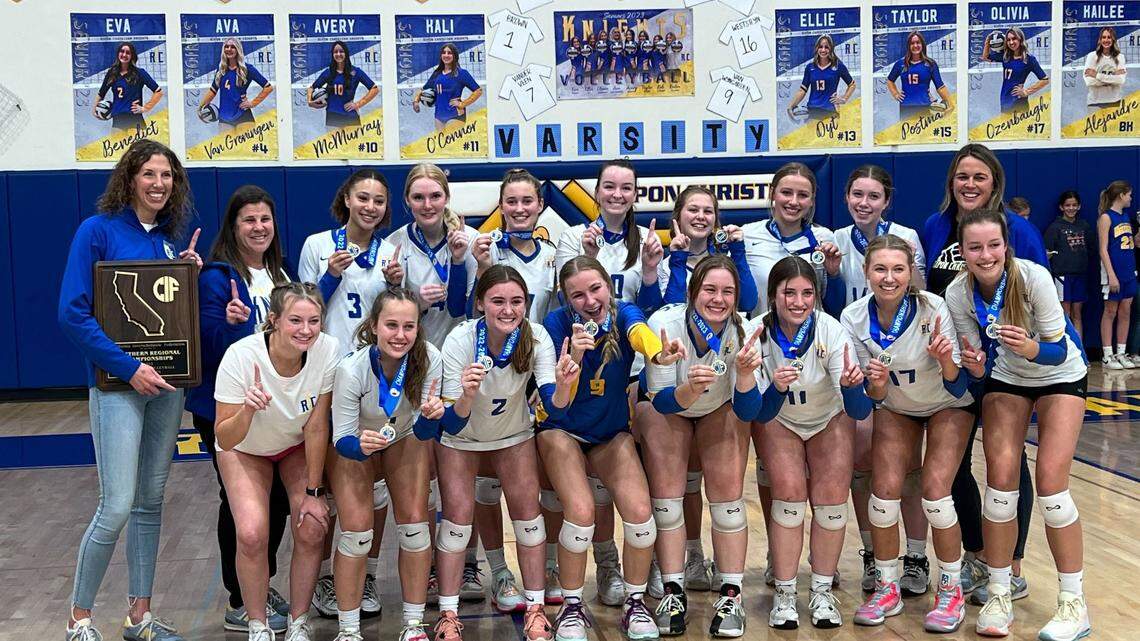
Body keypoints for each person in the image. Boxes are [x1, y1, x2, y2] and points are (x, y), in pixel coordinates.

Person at [59, 139, 200, 641]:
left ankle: (138, 617)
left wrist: (188, 277)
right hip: (118, 387)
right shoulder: (96, 231)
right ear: (130, 179)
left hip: (166, 388)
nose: (159, 184)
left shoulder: (168, 243)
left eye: (167, 176)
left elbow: (173, 321)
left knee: (150, 501)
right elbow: (72, 313)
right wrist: (128, 366)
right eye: (150, 174)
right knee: (116, 503)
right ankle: (79, 619)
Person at [944, 210, 1090, 640]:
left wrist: (1030, 347)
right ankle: (999, 592)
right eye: (975, 247)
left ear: (1005, 246)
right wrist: (972, 363)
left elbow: (1057, 350)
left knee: (1051, 485)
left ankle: (1073, 603)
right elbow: (976, 364)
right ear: (962, 251)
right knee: (1001, 484)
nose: (985, 255)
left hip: (1059, 373)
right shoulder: (958, 293)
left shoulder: (1033, 278)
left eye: (993, 245)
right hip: (1008, 378)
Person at [921, 143, 1045, 605]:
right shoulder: (935, 227)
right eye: (962, 176)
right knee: (949, 467)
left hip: (1007, 368)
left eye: (979, 177)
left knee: (1007, 464)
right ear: (951, 182)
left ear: (995, 183)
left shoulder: (1020, 231)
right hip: (951, 369)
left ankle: (1010, 565)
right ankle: (977, 554)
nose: (969, 184)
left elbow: (1038, 295)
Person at [539, 256, 687, 641]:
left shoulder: (624, 313)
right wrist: (574, 360)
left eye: (595, 289)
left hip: (610, 432)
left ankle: (635, 602)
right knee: (582, 512)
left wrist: (658, 354)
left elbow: (640, 332)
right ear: (565, 299)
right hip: (562, 430)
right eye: (578, 295)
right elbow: (558, 401)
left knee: (641, 515)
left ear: (608, 286)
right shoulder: (556, 325)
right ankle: (572, 607)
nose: (589, 300)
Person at [425, 265, 576, 641]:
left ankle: (537, 609)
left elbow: (555, 408)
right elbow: (451, 423)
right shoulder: (460, 340)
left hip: (513, 435)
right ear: (480, 304)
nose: (508, 310)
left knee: (529, 519)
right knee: (457, 524)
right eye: (498, 301)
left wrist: (564, 386)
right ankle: (447, 614)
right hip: (462, 439)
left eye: (517, 301)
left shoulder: (535, 335)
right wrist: (467, 397)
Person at [841, 235, 974, 633]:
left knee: (935, 492)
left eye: (898, 269)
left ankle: (950, 590)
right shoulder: (852, 317)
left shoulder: (933, 307)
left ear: (912, 272)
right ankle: (886, 586)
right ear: (866, 273)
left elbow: (956, 384)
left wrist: (946, 361)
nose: (889, 277)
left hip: (948, 403)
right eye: (880, 269)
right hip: (898, 407)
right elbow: (870, 399)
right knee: (883, 495)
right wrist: (876, 385)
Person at [642, 255, 769, 637]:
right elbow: (661, 400)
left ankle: (731, 594)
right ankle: (673, 590)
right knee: (667, 501)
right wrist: (689, 390)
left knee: (728, 502)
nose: (718, 299)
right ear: (692, 292)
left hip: (720, 407)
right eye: (710, 290)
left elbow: (749, 410)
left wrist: (745, 376)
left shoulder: (745, 332)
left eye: (727, 291)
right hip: (669, 407)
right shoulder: (663, 325)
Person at [187, 185, 293, 633]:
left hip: (274, 407)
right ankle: (239, 596)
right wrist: (230, 325)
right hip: (226, 408)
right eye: (249, 220)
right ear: (233, 226)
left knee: (281, 500)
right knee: (241, 502)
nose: (258, 227)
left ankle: (259, 583)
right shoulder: (217, 277)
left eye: (265, 219)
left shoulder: (280, 276)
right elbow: (205, 351)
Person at [299, 168, 401, 618]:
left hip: (376, 376)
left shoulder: (391, 250)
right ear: (346, 199)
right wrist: (328, 278)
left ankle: (370, 575)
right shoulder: (318, 245)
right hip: (330, 376)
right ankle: (326, 576)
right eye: (363, 197)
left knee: (373, 483)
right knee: (335, 481)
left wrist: (398, 284)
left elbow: (399, 315)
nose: (371, 207)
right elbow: (302, 312)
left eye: (379, 201)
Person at [214, 282, 341, 641]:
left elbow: (318, 425)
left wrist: (315, 491)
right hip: (244, 448)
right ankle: (258, 624)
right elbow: (224, 437)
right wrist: (247, 411)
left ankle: (299, 622)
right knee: (253, 532)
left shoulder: (327, 350)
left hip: (295, 445)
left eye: (314, 321)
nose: (306, 330)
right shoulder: (240, 357)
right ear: (273, 321)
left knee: (313, 524)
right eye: (295, 320)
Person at [753, 256, 871, 631]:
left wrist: (854, 387)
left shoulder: (831, 331)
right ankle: (785, 593)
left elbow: (857, 408)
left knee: (832, 501)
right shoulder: (756, 332)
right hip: (779, 419)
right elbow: (758, 409)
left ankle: (822, 589)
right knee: (788, 497)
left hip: (828, 417)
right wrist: (776, 386)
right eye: (789, 293)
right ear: (773, 296)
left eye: (807, 293)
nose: (799, 302)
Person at [829, 166, 929, 596]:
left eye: (873, 196)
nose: (864, 203)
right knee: (862, 464)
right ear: (847, 197)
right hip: (854, 352)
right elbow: (829, 302)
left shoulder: (906, 236)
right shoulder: (833, 239)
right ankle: (872, 554)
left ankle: (917, 556)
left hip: (906, 360)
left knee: (908, 469)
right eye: (857, 195)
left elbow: (922, 294)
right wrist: (832, 274)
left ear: (886, 201)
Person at [330, 288, 445, 641]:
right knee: (357, 535)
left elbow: (426, 430)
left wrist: (430, 417)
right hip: (356, 443)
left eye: (408, 326)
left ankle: (413, 625)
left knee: (415, 527)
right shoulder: (351, 369)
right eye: (391, 325)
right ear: (374, 326)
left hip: (403, 436)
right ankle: (348, 631)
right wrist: (359, 447)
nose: (400, 335)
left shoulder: (429, 357)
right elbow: (341, 439)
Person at [386, 163, 478, 347]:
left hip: (461, 350)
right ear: (407, 200)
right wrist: (416, 302)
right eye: (418, 197)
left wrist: (458, 261)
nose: (427, 205)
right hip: (412, 350)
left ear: (447, 198)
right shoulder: (393, 244)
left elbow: (470, 311)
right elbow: (387, 318)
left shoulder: (471, 240)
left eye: (435, 196)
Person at [661, 185, 757, 312]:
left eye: (708, 211)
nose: (701, 216)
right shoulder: (664, 266)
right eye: (693, 210)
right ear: (678, 217)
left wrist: (738, 252)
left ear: (715, 220)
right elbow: (672, 314)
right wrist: (679, 259)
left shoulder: (727, 261)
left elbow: (747, 304)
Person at [1096, 180, 1137, 370]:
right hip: (1114, 272)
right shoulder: (1106, 218)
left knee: (1126, 311)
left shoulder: (1127, 216)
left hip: (1129, 271)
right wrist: (1111, 276)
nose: (1131, 198)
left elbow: (1134, 243)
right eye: (1129, 194)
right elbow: (1103, 250)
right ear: (1121, 195)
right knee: (1110, 311)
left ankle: (1121, 352)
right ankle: (1107, 355)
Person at [197, 38, 273, 129]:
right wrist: (201, 107)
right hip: (224, 117)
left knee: (247, 144)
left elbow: (268, 87)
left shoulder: (247, 69)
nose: (229, 49)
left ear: (238, 50)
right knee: (225, 143)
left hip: (243, 115)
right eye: (226, 47)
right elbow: (213, 91)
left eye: (233, 47)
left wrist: (253, 103)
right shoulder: (221, 70)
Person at [1044, 191, 1091, 337]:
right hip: (1062, 276)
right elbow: (1047, 252)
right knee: (1065, 313)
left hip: (1080, 275)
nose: (1071, 208)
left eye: (1074, 205)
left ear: (1079, 206)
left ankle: (1080, 352)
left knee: (1077, 313)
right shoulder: (1055, 227)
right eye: (1067, 205)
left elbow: (1091, 248)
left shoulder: (1084, 225)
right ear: (1061, 207)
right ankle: (1066, 352)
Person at [308, 40, 379, 129]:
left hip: (350, 116)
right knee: (332, 143)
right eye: (335, 52)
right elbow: (311, 88)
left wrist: (358, 104)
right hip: (332, 116)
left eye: (341, 51)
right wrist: (310, 102)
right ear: (332, 54)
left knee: (354, 143)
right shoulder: (328, 72)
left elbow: (375, 89)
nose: (338, 54)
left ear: (346, 53)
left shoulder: (355, 72)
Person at [93, 42, 163, 132]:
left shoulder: (140, 73)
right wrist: (95, 110)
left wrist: (145, 108)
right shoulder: (112, 73)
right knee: (117, 145)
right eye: (122, 51)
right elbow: (101, 94)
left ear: (132, 56)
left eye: (128, 53)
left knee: (138, 146)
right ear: (118, 53)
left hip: (135, 119)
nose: (124, 54)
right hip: (118, 120)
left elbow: (158, 92)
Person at [412, 43, 483, 131]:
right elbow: (423, 89)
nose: (446, 55)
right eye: (444, 52)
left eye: (449, 53)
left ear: (454, 56)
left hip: (455, 115)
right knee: (442, 143)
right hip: (439, 116)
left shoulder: (461, 73)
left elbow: (478, 91)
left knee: (453, 143)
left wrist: (462, 104)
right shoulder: (437, 73)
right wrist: (416, 101)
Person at [786, 35, 856, 121]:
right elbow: (802, 90)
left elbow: (852, 85)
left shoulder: (838, 66)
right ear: (816, 48)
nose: (823, 50)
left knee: (832, 134)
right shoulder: (810, 67)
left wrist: (844, 98)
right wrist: (791, 106)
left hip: (830, 111)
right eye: (820, 47)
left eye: (826, 47)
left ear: (831, 49)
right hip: (812, 111)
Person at [886, 31, 953, 119]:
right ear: (908, 46)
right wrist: (895, 94)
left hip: (925, 107)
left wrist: (950, 104)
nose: (915, 45)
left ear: (922, 44)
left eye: (918, 42)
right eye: (912, 43)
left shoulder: (930, 64)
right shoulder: (901, 64)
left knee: (925, 133)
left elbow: (940, 86)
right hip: (906, 107)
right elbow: (890, 80)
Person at [980, 28, 1048, 113]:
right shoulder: (1005, 56)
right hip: (1004, 100)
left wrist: (1026, 91)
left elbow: (1045, 80)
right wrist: (988, 41)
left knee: (1019, 126)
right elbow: (985, 57)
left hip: (1018, 101)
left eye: (1014, 38)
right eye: (1008, 40)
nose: (1011, 42)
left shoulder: (1029, 59)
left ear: (1020, 39)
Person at [1084, 27, 1126, 111]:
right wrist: (1113, 78)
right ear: (1100, 39)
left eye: (1109, 37)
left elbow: (1120, 80)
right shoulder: (1092, 56)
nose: (1106, 40)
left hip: (1115, 102)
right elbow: (1089, 82)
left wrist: (1096, 75)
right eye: (1104, 37)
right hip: (1094, 103)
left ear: (1113, 39)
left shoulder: (1120, 57)